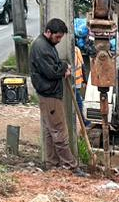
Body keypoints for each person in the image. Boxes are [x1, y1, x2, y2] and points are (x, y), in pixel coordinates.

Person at [29, 18, 82, 174]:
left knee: (50, 129)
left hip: (48, 92)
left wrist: (62, 67)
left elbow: (55, 66)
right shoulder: (42, 48)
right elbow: (52, 72)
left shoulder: (46, 45)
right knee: (59, 130)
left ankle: (52, 163)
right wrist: (64, 68)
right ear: (48, 32)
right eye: (57, 37)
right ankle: (70, 165)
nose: (59, 40)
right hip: (49, 94)